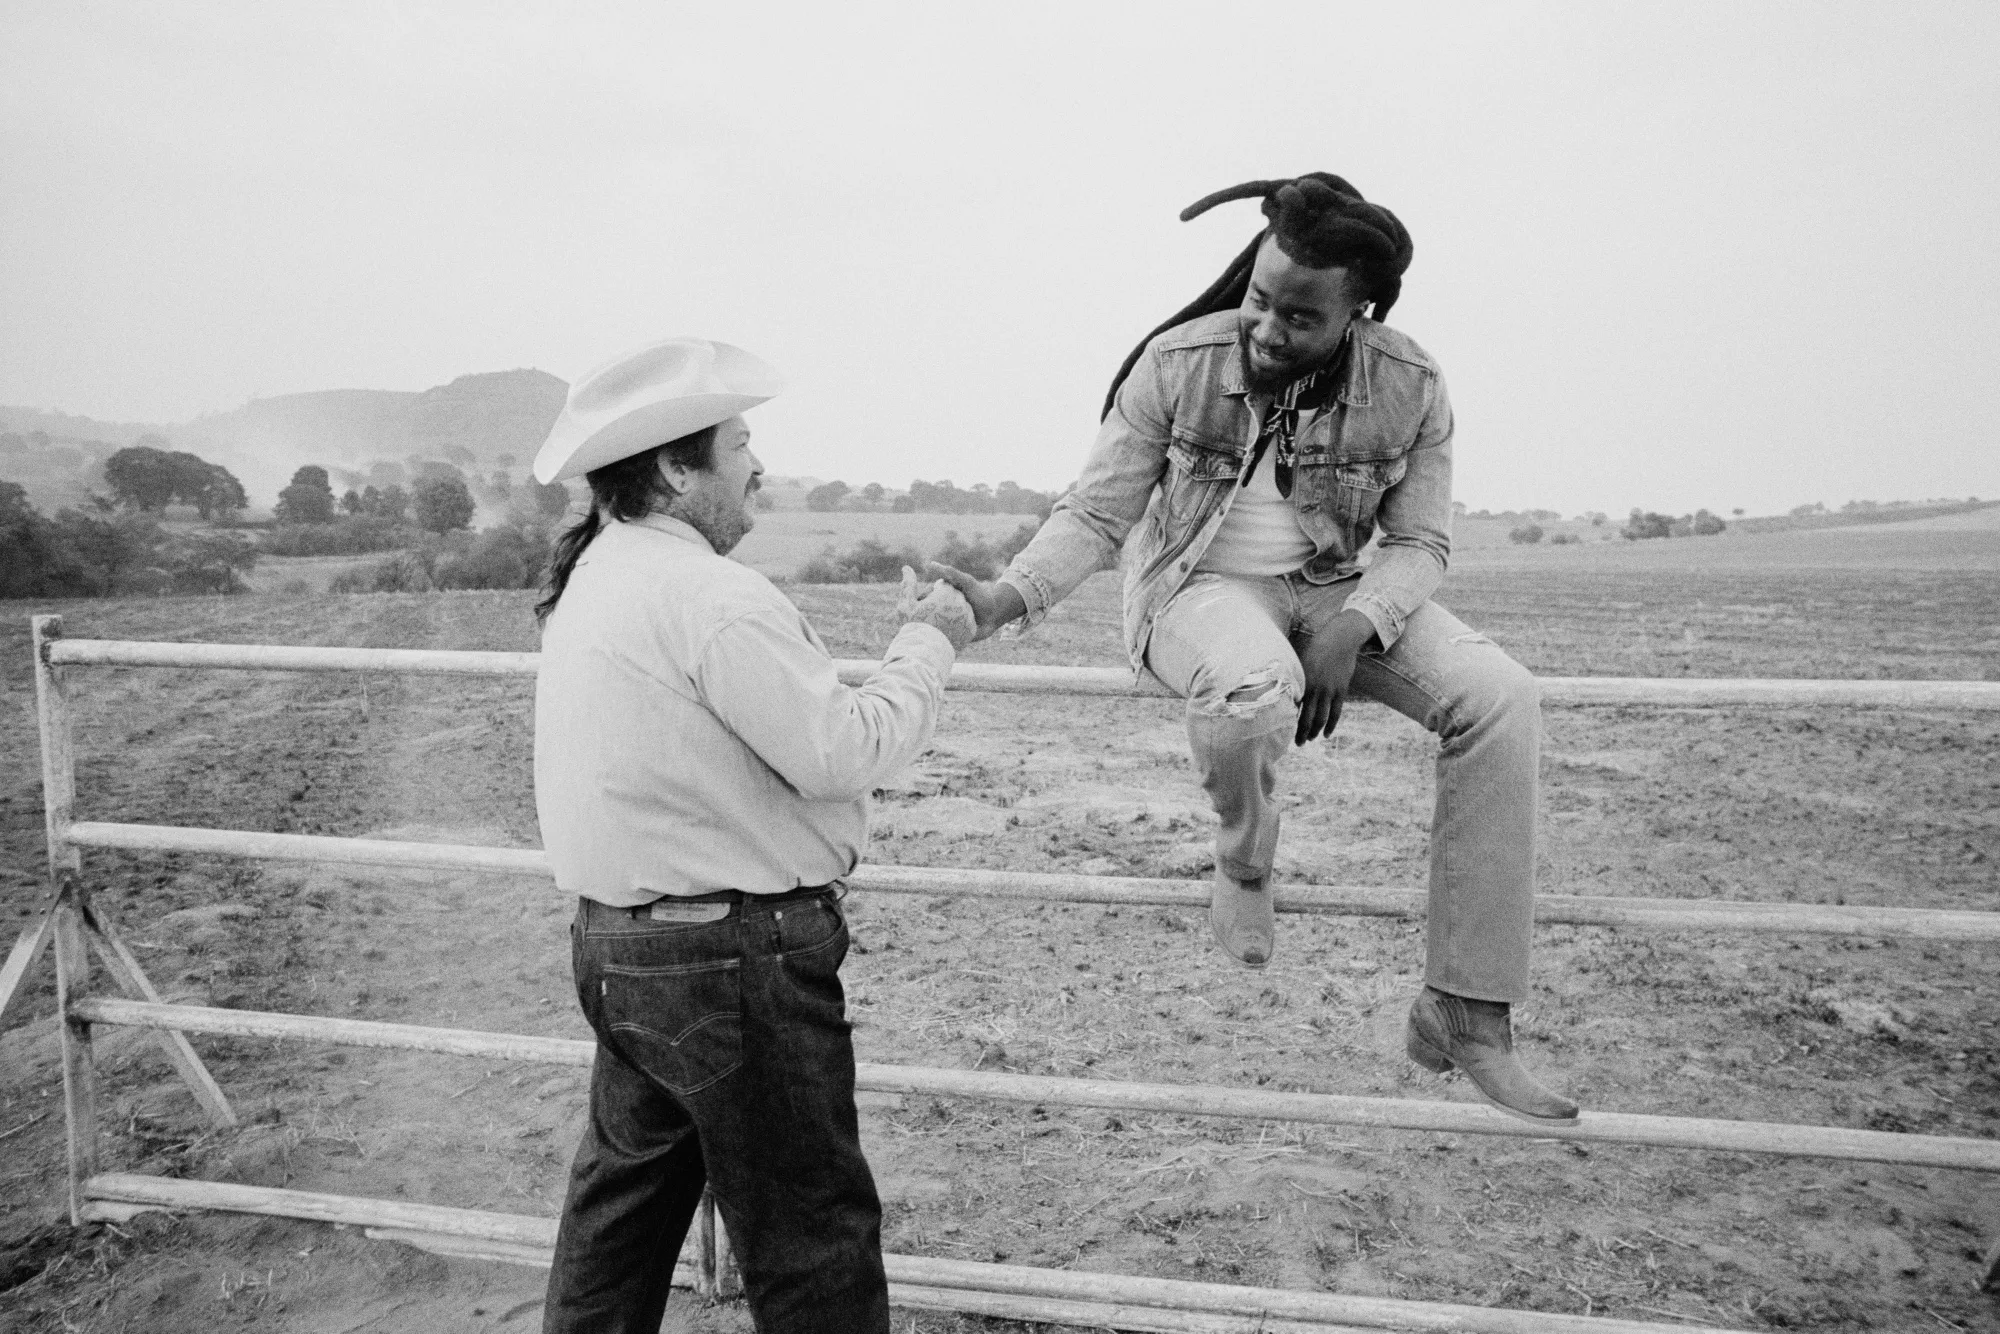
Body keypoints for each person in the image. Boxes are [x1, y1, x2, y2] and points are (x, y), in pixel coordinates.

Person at [931, 174, 1577, 1123]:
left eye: (1301, 316)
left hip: (1338, 589)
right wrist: (1004, 598)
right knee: (1251, 682)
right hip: (1197, 588)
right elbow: (1097, 512)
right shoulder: (1177, 363)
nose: (1268, 329)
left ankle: (1466, 1010)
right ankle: (1242, 867)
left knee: (1502, 697)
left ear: (1361, 310)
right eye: (1260, 298)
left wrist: (1358, 627)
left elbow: (1422, 542)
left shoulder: (1412, 384)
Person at [530, 336, 976, 1333]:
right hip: (730, 960)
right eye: (736, 444)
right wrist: (930, 639)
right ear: (675, 469)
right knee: (810, 1237)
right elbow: (840, 747)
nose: (756, 464)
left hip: (620, 943)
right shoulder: (711, 597)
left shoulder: (600, 575)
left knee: (620, 1225)